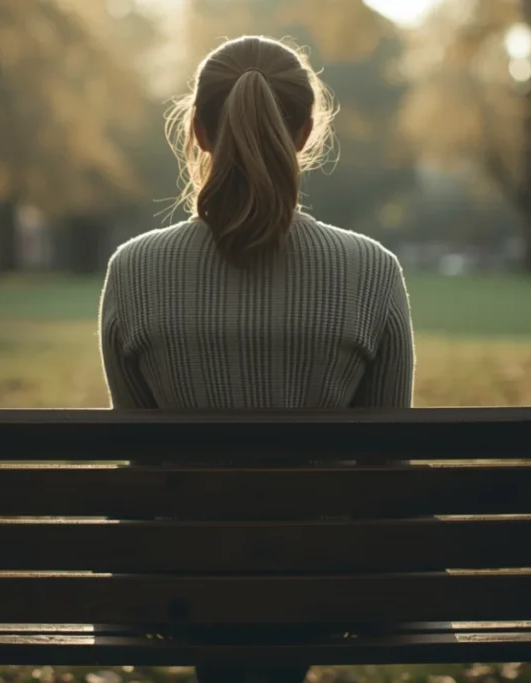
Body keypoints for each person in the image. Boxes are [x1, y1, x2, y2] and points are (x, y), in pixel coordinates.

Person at [98, 35, 416, 683]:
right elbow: (389, 467)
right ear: (303, 133)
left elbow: (140, 462)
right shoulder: (373, 272)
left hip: (179, 590)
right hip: (329, 591)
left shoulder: (133, 271)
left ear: (196, 130)